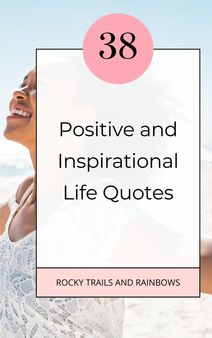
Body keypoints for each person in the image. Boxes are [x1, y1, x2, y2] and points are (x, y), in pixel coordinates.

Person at [0, 69, 124, 337]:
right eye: (22, 84)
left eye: (40, 88)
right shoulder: (24, 193)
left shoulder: (90, 202)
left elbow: (196, 258)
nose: (18, 93)